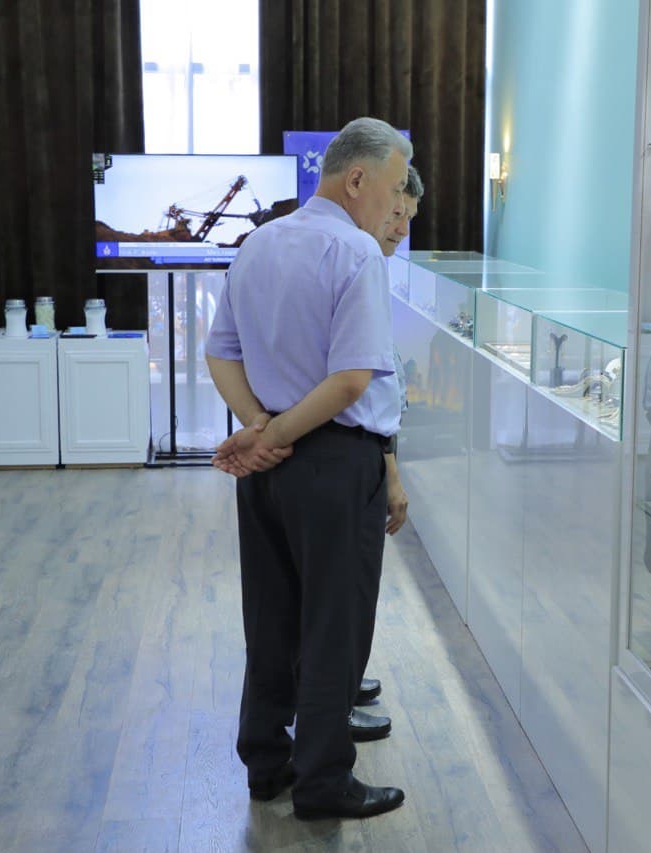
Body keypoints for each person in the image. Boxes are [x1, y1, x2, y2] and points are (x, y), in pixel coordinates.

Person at [205, 116, 409, 820]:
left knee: (270, 617)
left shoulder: (258, 242)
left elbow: (220, 351)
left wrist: (257, 431)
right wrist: (278, 433)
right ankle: (323, 782)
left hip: (267, 468)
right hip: (331, 462)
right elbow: (351, 381)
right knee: (333, 625)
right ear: (356, 179)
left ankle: (266, 762)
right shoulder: (356, 252)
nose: (395, 204)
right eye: (392, 188)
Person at [348, 165, 424, 717]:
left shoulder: (366, 266)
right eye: (395, 212)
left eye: (409, 218)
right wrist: (392, 475)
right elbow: (369, 395)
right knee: (345, 591)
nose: (400, 228)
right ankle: (333, 701)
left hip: (347, 452)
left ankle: (342, 682)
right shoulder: (359, 264)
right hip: (349, 455)